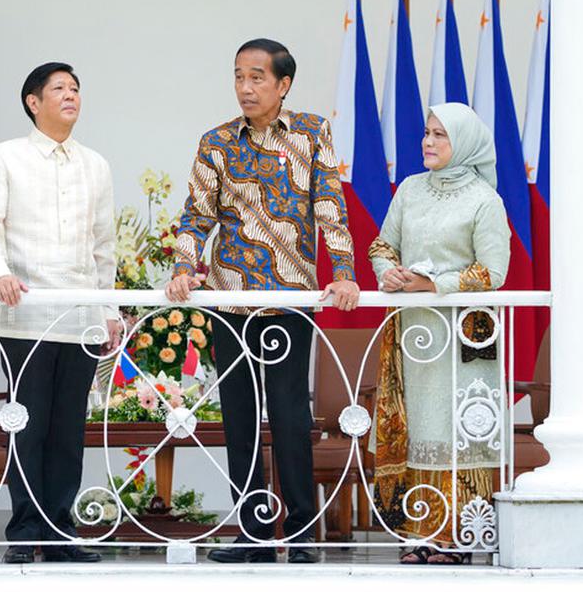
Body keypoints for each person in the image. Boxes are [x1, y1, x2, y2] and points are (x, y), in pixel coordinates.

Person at [165, 38, 359, 563]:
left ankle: (298, 533)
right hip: (230, 303)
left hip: (291, 302)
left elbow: (329, 207)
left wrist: (343, 272)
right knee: (240, 419)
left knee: (292, 419)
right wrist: (185, 267)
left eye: (256, 77)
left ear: (283, 85)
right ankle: (252, 535)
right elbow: (196, 215)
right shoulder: (216, 141)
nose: (245, 88)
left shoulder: (312, 132)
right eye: (238, 76)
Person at [0, 62, 117, 565]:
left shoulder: (95, 164)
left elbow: (104, 246)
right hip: (26, 313)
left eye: (76, 88)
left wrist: (110, 309)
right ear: (33, 102)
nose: (70, 95)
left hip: (80, 316)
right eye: (59, 88)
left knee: (68, 430)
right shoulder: (5, 157)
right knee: (25, 425)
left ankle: (60, 531)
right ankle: (22, 530)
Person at [369, 102, 510, 565]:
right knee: (419, 428)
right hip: (413, 332)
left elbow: (493, 271)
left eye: (440, 136)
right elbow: (383, 244)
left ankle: (458, 533)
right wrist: (389, 272)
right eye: (427, 133)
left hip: (462, 337)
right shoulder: (410, 190)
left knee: (455, 430)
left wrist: (434, 285)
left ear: (464, 144)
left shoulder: (485, 200)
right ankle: (421, 530)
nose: (428, 142)